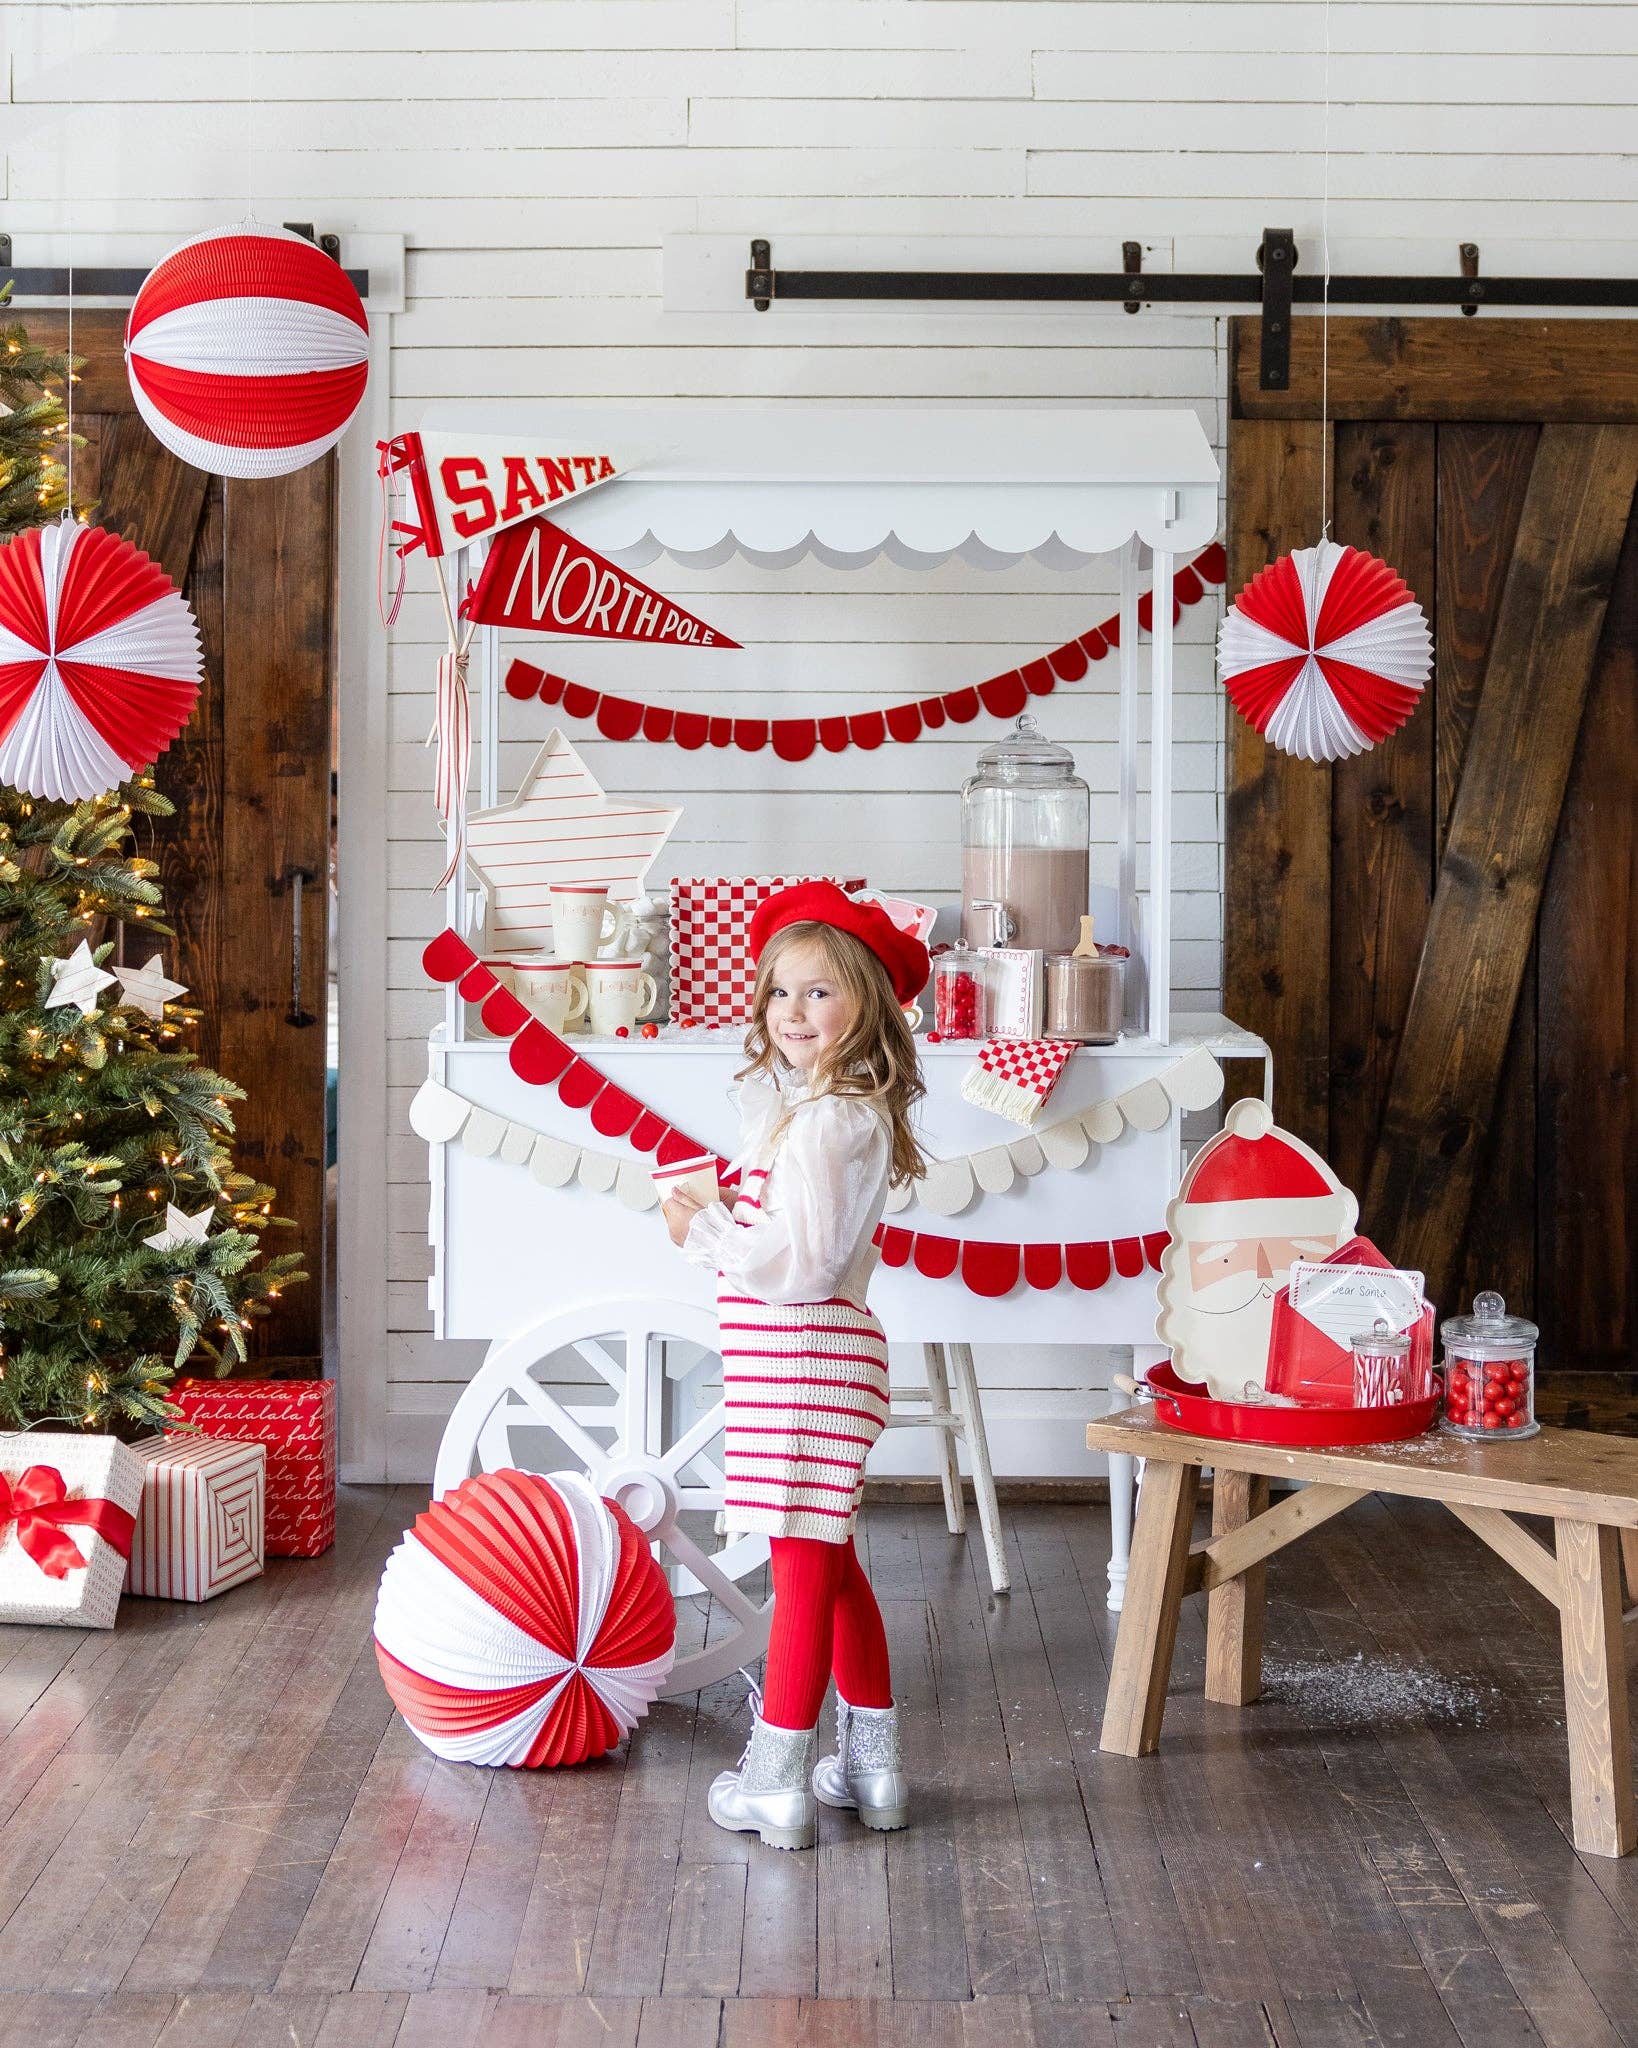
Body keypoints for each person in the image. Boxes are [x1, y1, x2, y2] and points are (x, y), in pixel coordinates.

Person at [661, 881, 929, 1851]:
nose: (794, 1013)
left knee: (802, 1568)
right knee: (834, 1557)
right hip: (807, 1363)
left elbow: (803, 1266)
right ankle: (875, 1763)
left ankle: (775, 1772)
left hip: (802, 1355)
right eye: (780, 993)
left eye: (820, 992)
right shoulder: (830, 1113)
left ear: (867, 1002)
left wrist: (707, 1225)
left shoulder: (826, 1123)